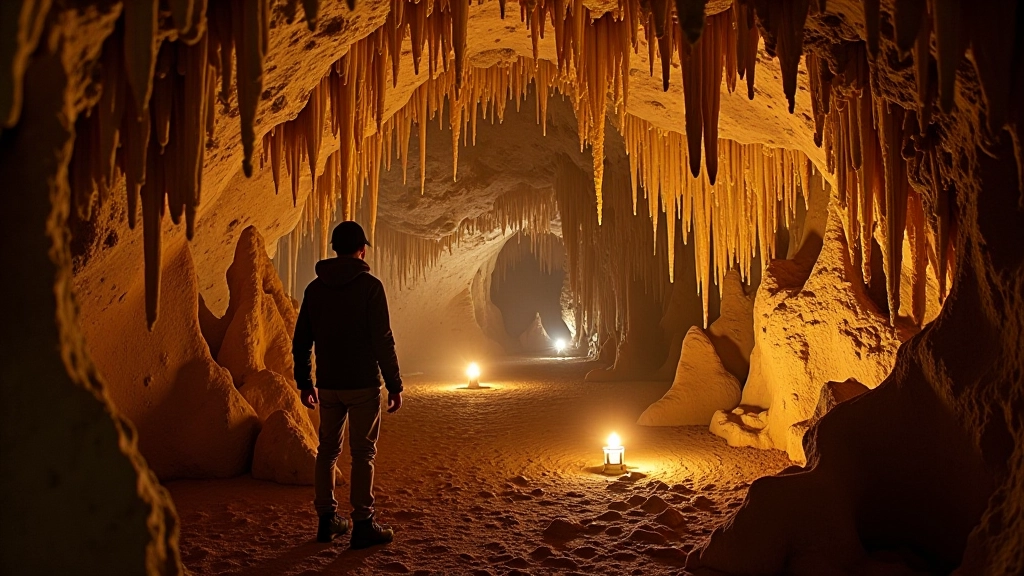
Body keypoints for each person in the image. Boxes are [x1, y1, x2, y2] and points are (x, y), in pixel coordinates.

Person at [292, 221, 404, 547]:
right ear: (361, 250)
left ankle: (327, 520)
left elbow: (302, 341)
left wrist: (305, 381)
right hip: (363, 384)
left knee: (326, 451)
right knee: (363, 453)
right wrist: (394, 384)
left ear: (334, 249)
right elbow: (382, 339)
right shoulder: (370, 287)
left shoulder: (315, 289)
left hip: (328, 385)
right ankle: (363, 523)